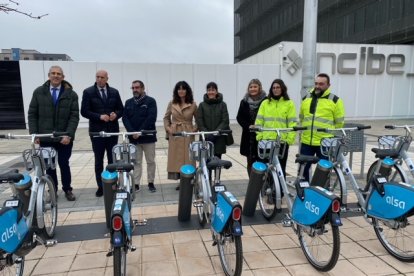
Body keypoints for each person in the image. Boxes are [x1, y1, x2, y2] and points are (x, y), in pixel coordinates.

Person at [28, 65, 79, 201]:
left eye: (59, 74)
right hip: (45, 138)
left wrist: (68, 135)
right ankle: (52, 190)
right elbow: (32, 114)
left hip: (64, 138)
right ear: (49, 75)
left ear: (63, 77)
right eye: (53, 73)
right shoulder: (39, 92)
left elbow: (74, 117)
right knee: (49, 167)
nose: (56, 76)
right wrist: (34, 134)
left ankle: (67, 189)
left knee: (64, 164)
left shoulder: (71, 94)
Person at [81, 70, 124, 197]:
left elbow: (121, 109)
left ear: (107, 79)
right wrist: (99, 116)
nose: (99, 79)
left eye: (102, 77)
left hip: (112, 131)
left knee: (112, 160)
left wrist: (115, 114)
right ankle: (101, 186)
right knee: (98, 160)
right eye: (97, 77)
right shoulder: (88, 92)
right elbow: (84, 111)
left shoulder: (114, 92)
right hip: (97, 132)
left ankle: (112, 184)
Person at [299, 73, 345, 181]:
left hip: (325, 143)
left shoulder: (335, 100)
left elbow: (339, 123)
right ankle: (304, 193)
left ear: (328, 85)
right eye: (316, 83)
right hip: (307, 142)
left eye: (321, 84)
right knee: (303, 170)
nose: (318, 86)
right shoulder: (306, 98)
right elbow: (301, 117)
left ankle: (323, 193)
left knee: (324, 171)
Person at [255, 79, 297, 178]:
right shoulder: (265, 103)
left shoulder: (289, 103)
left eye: (278, 87)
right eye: (273, 88)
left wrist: (289, 139)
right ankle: (264, 190)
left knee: (280, 168)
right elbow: (258, 122)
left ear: (282, 89)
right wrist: (260, 136)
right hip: (266, 141)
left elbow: (292, 123)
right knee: (265, 169)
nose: (275, 90)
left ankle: (280, 192)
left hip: (281, 142)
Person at [122, 80, 157, 193]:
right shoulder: (128, 102)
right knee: (136, 162)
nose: (135, 90)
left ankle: (151, 182)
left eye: (137, 87)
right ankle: (136, 184)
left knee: (150, 161)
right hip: (134, 138)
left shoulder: (150, 101)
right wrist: (132, 132)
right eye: (132, 88)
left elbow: (151, 118)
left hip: (148, 137)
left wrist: (140, 131)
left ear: (142, 88)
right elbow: (125, 118)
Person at [163, 81, 197, 190]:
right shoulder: (172, 103)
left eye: (183, 89)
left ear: (187, 90)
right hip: (175, 133)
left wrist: (193, 130)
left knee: (188, 158)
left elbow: (199, 120)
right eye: (179, 89)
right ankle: (181, 181)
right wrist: (169, 129)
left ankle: (190, 180)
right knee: (177, 158)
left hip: (188, 133)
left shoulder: (193, 104)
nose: (181, 91)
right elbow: (166, 118)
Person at [236, 79, 267, 176]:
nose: (253, 89)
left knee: (262, 161)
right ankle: (252, 184)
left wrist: (259, 126)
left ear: (259, 88)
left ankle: (263, 185)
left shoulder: (266, 101)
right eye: (251, 87)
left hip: (261, 135)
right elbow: (239, 117)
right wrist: (248, 126)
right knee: (250, 162)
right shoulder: (244, 102)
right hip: (248, 137)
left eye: (255, 86)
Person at [196, 82, 233, 159]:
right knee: (206, 161)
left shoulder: (223, 105)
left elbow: (225, 120)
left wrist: (215, 133)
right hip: (205, 137)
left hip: (219, 137)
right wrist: (207, 134)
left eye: (213, 90)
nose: (211, 92)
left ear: (216, 91)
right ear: (207, 92)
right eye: (209, 90)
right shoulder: (202, 105)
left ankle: (217, 171)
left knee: (217, 161)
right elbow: (199, 121)